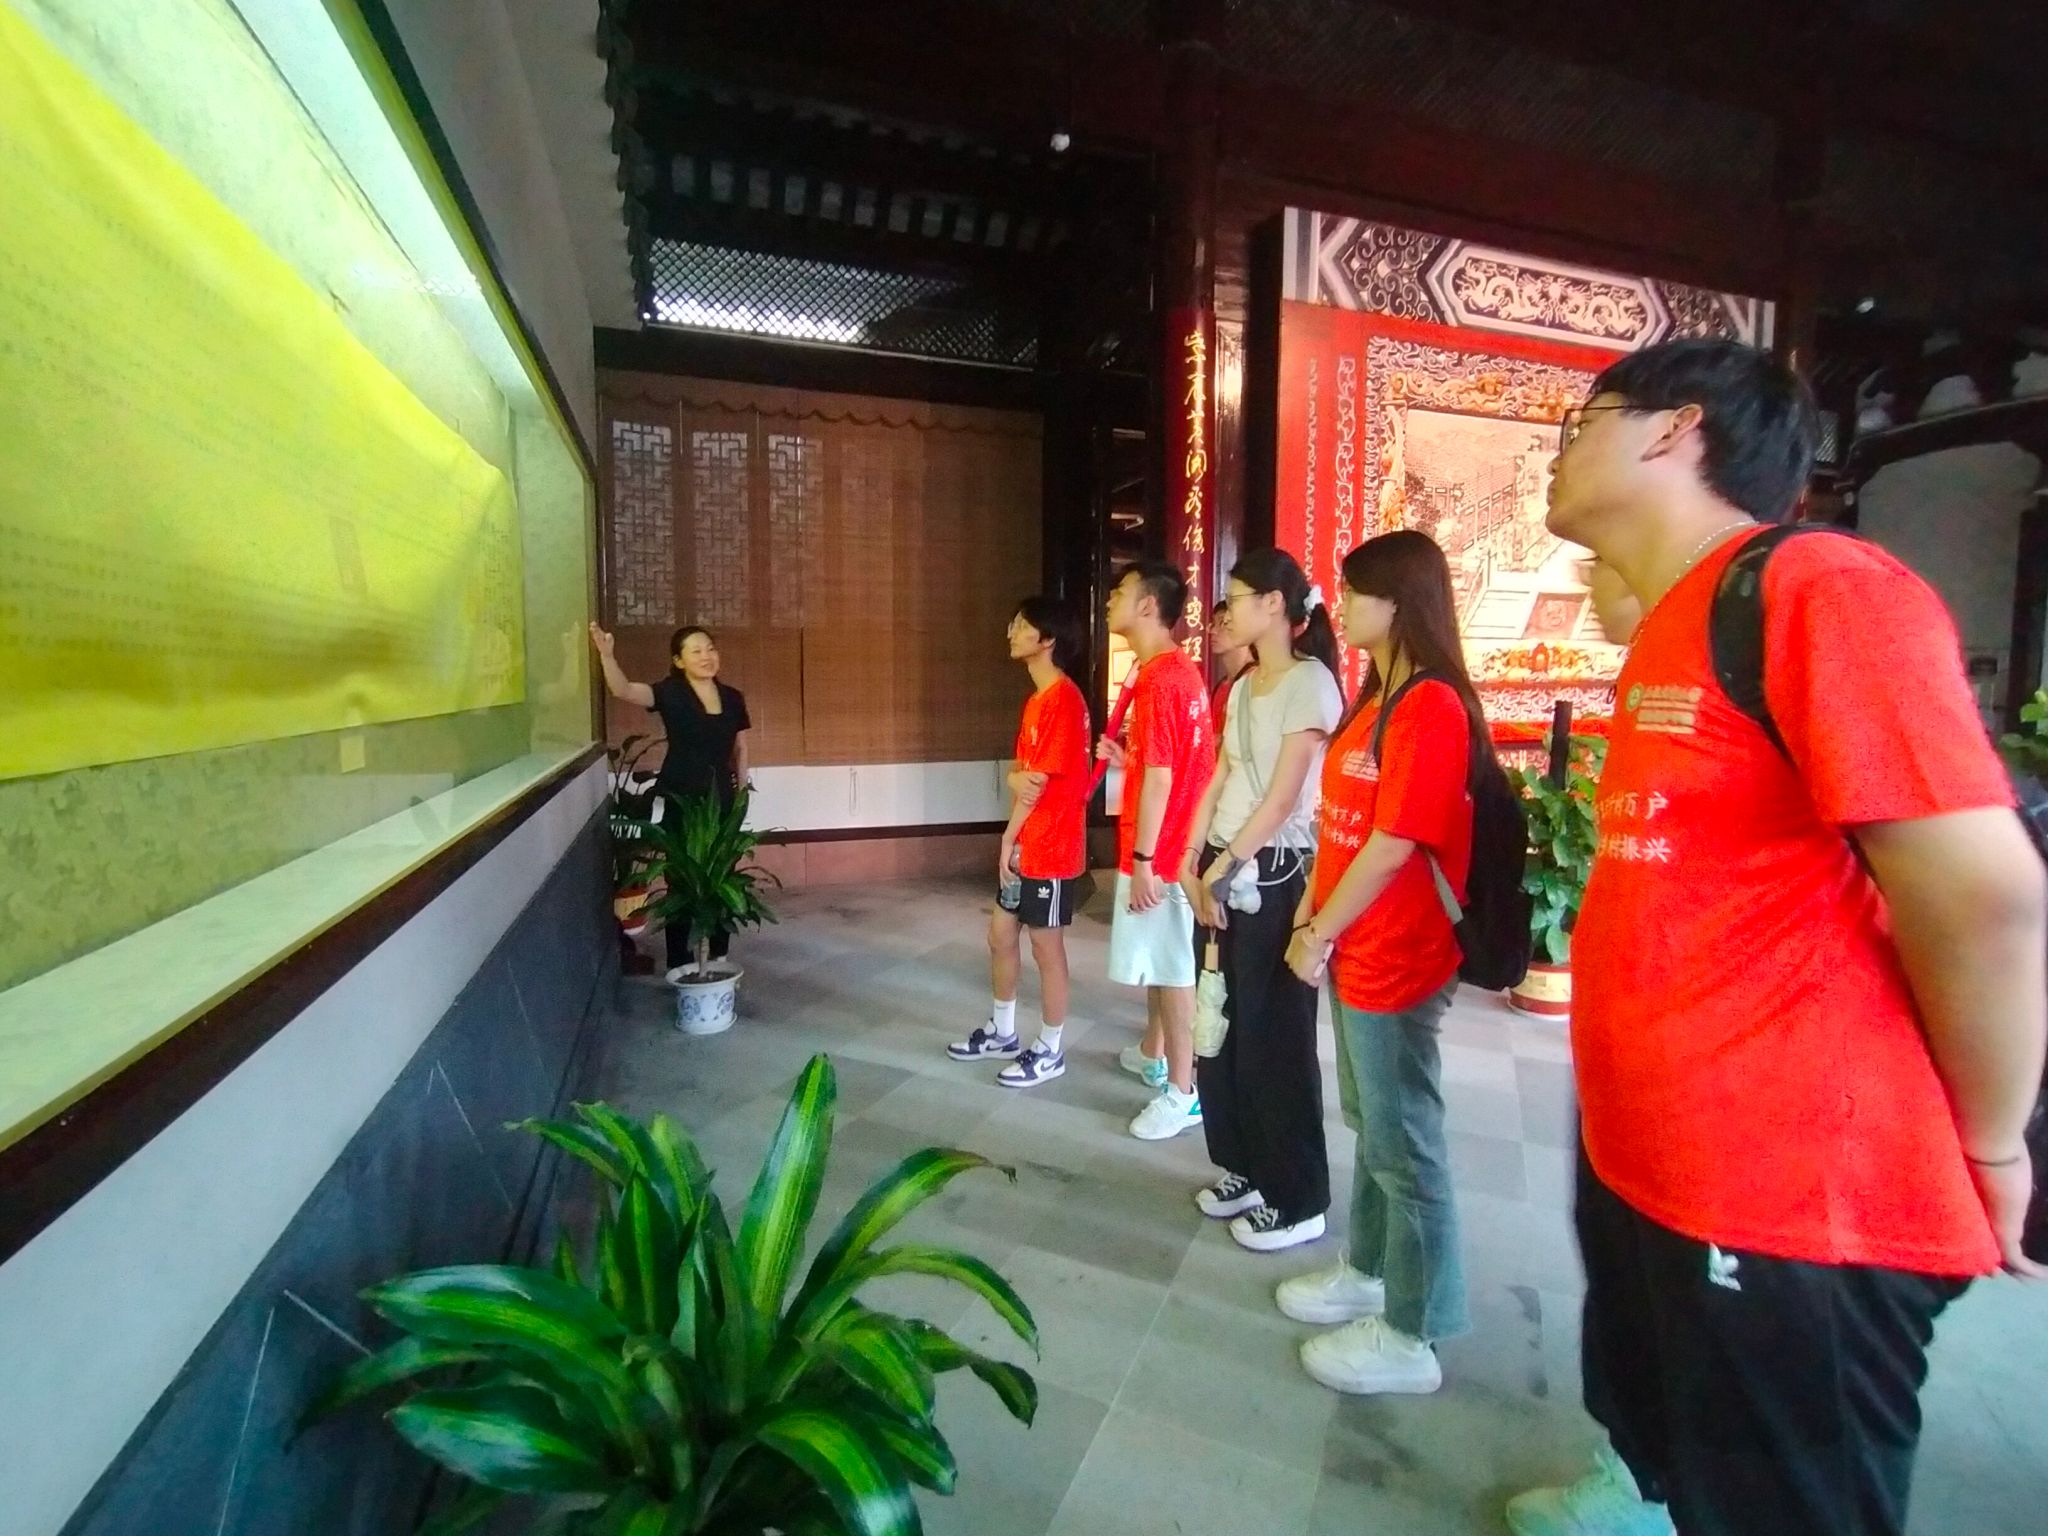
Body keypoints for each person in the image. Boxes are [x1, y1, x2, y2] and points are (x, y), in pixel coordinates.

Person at [1507, 338, 2047, 1536]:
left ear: (1670, 429)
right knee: (1693, 1476)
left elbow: (1982, 895)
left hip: (1792, 1199)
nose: (1555, 453)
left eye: (1579, 422)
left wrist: (1994, 1144)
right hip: (1665, 1171)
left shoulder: (1818, 587)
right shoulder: (1675, 624)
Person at [1279, 529, 1484, 1397]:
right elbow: (1345, 828)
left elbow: (1396, 843)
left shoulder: (1430, 705)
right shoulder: (1376, 701)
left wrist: (1318, 931)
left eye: (1357, 590)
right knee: (1375, 1127)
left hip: (1398, 955)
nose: (1344, 602)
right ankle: (1369, 1270)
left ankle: (1415, 1330)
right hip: (1358, 945)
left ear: (1401, 603)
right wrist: (1311, 910)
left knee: (1405, 1144)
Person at [1182, 551, 1344, 1251]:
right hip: (1223, 865)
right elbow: (1221, 774)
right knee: (1220, 1029)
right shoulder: (1246, 685)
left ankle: (1299, 1197)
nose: (1226, 611)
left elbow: (1283, 799)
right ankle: (1245, 1168)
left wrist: (1223, 866)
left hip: (1271, 876)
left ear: (1275, 604)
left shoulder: (1310, 684)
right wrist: (1190, 854)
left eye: (1237, 597)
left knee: (1274, 1038)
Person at [948, 598, 1091, 1086]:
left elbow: (1036, 782)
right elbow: (1020, 774)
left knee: (1047, 949)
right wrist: (1015, 798)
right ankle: (1003, 1031)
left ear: (1047, 640)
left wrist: (1009, 835)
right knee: (1001, 935)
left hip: (1050, 846)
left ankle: (1050, 1049)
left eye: (1023, 625)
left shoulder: (1063, 700)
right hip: (1028, 841)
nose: (1011, 631)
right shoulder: (1037, 700)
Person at [1098, 560, 1216, 1140]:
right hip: (1170, 844)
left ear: (1148, 605)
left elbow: (1166, 779)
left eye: (1119, 591)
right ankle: (1155, 1053)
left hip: (1165, 852)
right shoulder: (1172, 671)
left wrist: (1146, 862)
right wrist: (1131, 761)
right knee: (1163, 962)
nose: (1110, 600)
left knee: (1173, 970)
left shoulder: (1161, 679)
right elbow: (1168, 766)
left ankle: (1184, 1092)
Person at [589, 621, 753, 977]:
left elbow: (740, 749)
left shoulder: (733, 697)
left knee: (721, 875)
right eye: (696, 651)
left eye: (711, 648)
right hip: (680, 794)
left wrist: (741, 793)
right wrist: (607, 655)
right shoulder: (670, 693)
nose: (707, 656)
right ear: (679, 661)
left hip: (721, 797)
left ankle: (719, 957)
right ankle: (680, 961)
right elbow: (623, 690)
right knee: (681, 877)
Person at [1209, 598, 1253, 745]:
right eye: (1213, 624)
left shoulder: (1255, 680)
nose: (1213, 631)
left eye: (1223, 623)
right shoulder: (1221, 686)